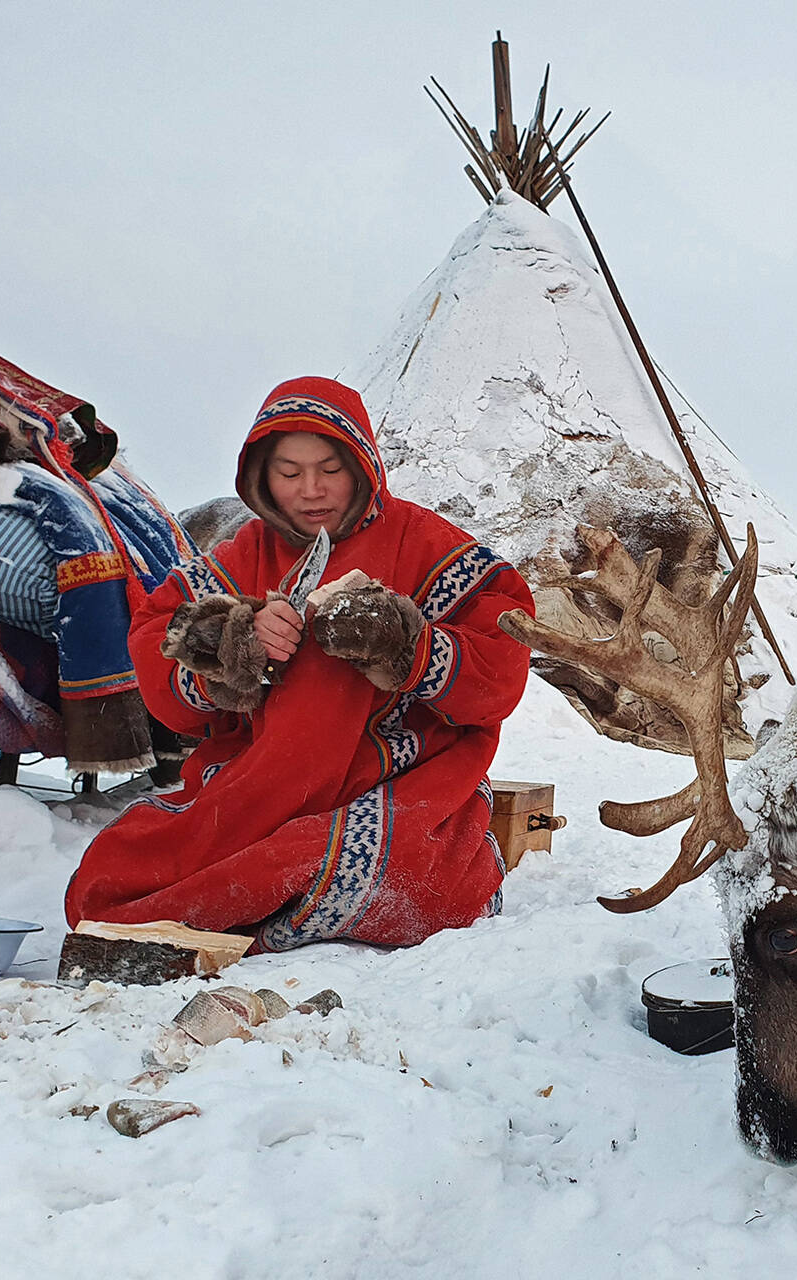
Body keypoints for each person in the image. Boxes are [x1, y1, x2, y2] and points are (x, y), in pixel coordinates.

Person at [64, 376, 533, 950]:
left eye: (330, 469)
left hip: (391, 779)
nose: (311, 490)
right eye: (289, 473)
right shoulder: (245, 555)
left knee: (407, 882)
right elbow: (161, 649)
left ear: (363, 465)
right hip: (257, 784)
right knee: (105, 885)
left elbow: (501, 671)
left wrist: (404, 644)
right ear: (261, 476)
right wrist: (238, 645)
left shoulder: (433, 548)